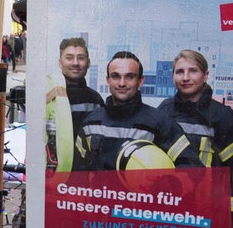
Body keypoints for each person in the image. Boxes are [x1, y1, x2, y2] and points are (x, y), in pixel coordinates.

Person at [157, 49, 233, 228]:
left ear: (205, 75)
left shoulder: (223, 117)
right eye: (179, 72)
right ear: (173, 76)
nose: (185, 77)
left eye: (193, 71)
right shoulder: (164, 111)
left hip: (206, 212)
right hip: (168, 209)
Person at [75, 51, 202, 170]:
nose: (122, 83)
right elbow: (78, 172)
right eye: (115, 76)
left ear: (140, 81)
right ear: (107, 80)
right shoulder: (90, 123)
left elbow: (191, 169)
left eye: (130, 76)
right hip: (100, 193)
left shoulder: (160, 122)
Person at [46, 37, 105, 173]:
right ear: (60, 63)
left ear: (88, 63)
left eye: (81, 58)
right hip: (53, 174)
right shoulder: (48, 95)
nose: (75, 63)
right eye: (69, 58)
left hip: (84, 177)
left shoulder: (95, 99)